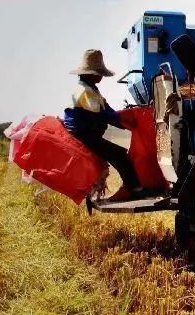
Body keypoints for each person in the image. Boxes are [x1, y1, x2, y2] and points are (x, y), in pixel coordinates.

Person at [63, 49, 154, 202]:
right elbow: (101, 115)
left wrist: (122, 120)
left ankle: (133, 187)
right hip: (82, 134)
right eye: (99, 74)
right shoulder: (85, 91)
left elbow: (107, 108)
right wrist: (123, 123)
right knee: (119, 155)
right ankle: (136, 190)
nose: (101, 77)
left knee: (117, 153)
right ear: (90, 74)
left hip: (88, 132)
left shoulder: (92, 89)